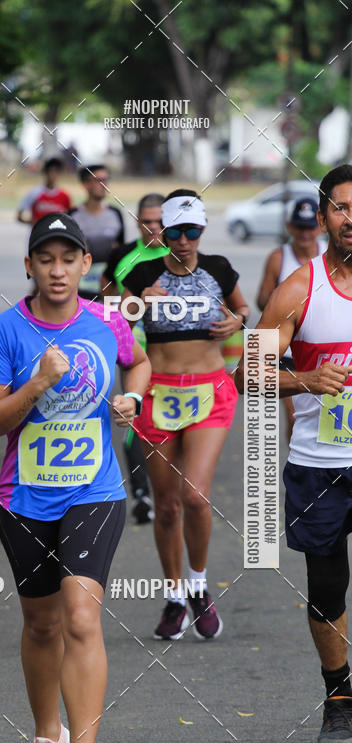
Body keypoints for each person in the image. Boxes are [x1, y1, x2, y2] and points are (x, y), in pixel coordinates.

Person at [0, 213, 151, 743]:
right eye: (45, 259)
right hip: (24, 498)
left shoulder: (107, 322)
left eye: (67, 259)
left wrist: (130, 396)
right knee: (42, 623)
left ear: (84, 266)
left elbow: (140, 363)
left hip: (94, 491)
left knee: (81, 616)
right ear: (29, 267)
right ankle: (47, 741)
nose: (57, 270)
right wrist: (36, 385)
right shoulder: (7, 331)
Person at [235, 164, 352, 743]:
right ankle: (340, 700)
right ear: (324, 214)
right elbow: (244, 372)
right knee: (329, 588)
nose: (351, 218)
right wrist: (304, 379)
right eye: (341, 207)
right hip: (319, 463)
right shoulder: (299, 289)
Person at [122, 190, 249, 640]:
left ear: (202, 230)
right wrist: (140, 302)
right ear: (161, 231)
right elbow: (115, 321)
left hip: (209, 392)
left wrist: (237, 322)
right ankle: (174, 595)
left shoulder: (218, 268)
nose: (183, 240)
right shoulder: (141, 273)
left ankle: (199, 584)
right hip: (157, 394)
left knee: (195, 495)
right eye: (174, 231)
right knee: (168, 506)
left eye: (191, 231)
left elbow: (243, 308)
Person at [101, 192, 170, 524]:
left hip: (172, 356)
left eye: (160, 221)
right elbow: (105, 303)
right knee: (134, 417)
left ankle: (168, 489)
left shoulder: (180, 254)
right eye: (147, 221)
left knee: (168, 422)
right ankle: (142, 494)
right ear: (137, 221)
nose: (154, 228)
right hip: (133, 350)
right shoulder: (122, 256)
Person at [256, 197, 327, 440]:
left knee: (327, 418)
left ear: (320, 226)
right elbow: (261, 300)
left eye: (309, 228)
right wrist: (288, 303)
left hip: (324, 352)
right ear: (289, 227)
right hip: (288, 354)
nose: (305, 234)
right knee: (297, 419)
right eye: (299, 227)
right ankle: (298, 465)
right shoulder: (279, 257)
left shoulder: (333, 255)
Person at [70, 164, 124, 302]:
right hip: (81, 289)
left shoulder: (115, 214)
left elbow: (121, 250)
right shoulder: (72, 215)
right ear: (85, 184)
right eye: (99, 180)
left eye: (106, 180)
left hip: (110, 288)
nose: (104, 185)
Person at [17, 158, 72, 225]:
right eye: (51, 171)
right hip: (38, 234)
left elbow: (70, 219)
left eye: (56, 171)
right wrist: (35, 224)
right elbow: (19, 216)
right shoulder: (35, 193)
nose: (53, 174)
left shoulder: (65, 196)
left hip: (56, 234)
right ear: (45, 172)